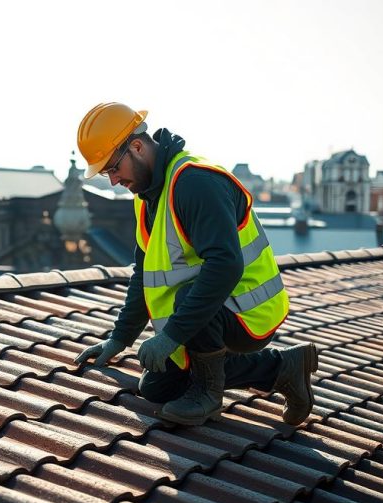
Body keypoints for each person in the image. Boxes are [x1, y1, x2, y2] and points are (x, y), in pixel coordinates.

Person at [72, 102, 318, 426]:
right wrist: (120, 338)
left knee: (189, 299)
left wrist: (171, 336)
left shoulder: (194, 182)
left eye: (113, 168)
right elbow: (143, 275)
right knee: (157, 388)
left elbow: (225, 266)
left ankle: (208, 393)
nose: (114, 180)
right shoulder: (147, 198)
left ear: (136, 146)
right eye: (106, 174)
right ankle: (284, 368)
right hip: (210, 313)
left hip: (248, 310)